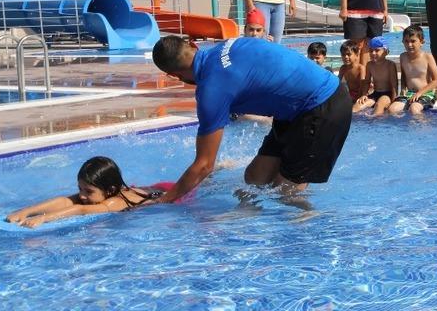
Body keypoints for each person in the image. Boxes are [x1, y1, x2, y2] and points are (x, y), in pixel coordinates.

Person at [150, 36, 352, 199]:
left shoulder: (211, 90)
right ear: (193, 45)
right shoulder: (231, 43)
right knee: (255, 178)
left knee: (285, 194)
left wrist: (164, 201)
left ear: (174, 76)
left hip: (325, 106)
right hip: (295, 110)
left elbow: (204, 165)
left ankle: (313, 240)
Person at [5, 156, 170, 228]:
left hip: (169, 194)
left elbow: (81, 210)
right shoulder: (102, 193)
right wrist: (25, 211)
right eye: (80, 189)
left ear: (110, 190)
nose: (82, 196)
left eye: (88, 191)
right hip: (153, 188)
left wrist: (43, 218)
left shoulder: (114, 202)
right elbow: (66, 201)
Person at [388, 25, 437, 115]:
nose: (409, 45)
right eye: (406, 41)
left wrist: (419, 93)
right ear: (402, 42)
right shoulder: (403, 57)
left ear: (422, 42)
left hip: (426, 93)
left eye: (413, 41)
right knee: (392, 109)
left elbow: (436, 80)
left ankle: (423, 126)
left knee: (414, 109)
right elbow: (404, 75)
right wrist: (403, 88)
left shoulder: (427, 57)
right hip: (409, 93)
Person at [357, 36, 398, 116]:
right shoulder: (369, 65)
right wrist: (364, 95)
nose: (373, 53)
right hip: (375, 93)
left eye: (377, 50)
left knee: (379, 106)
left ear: (386, 52)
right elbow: (367, 82)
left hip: (387, 95)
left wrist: (393, 101)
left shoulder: (390, 65)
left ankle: (375, 124)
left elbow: (394, 85)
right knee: (357, 106)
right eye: (371, 50)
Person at [338, 39, 367, 110]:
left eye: (348, 54)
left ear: (357, 54)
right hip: (351, 94)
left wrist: (359, 97)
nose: (346, 57)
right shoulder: (343, 68)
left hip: (363, 94)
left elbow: (363, 85)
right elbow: (337, 82)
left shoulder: (361, 68)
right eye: (343, 55)